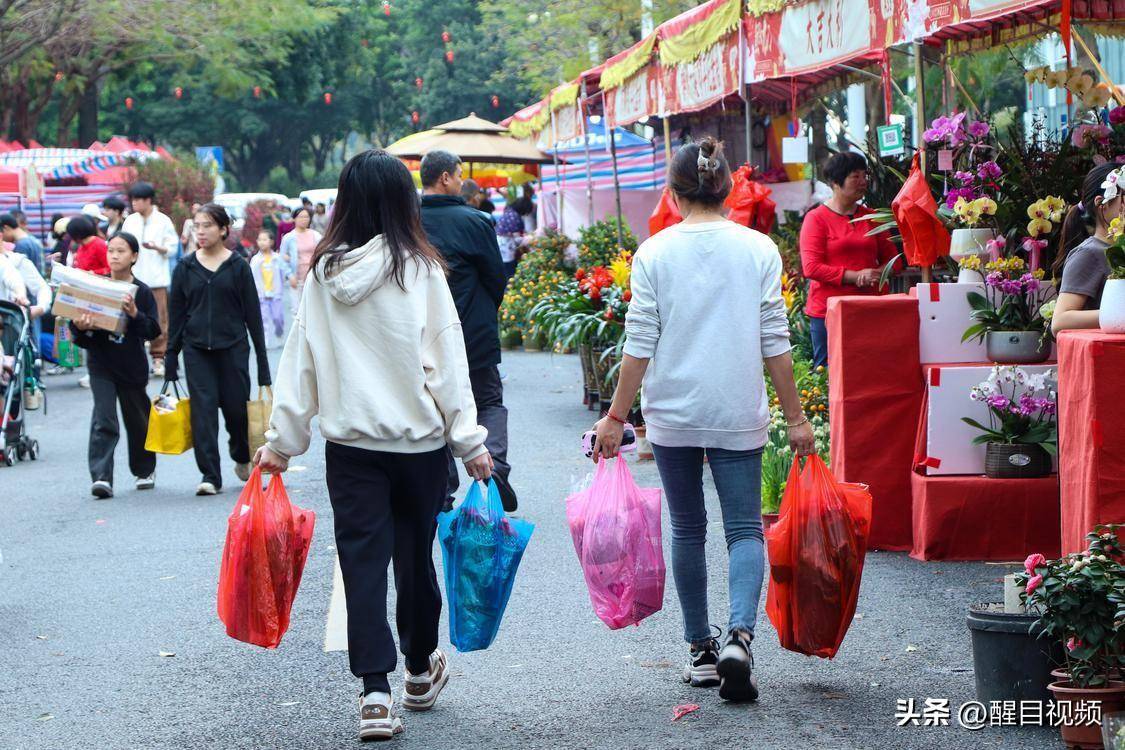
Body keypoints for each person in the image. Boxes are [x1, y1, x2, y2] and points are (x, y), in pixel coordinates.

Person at [254, 149, 492, 741]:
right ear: (403, 202)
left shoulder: (324, 275)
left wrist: (282, 443)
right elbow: (447, 365)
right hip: (418, 447)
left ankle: (374, 695)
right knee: (415, 559)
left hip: (352, 449)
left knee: (362, 563)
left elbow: (300, 366)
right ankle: (417, 669)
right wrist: (470, 441)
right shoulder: (422, 271)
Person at [593, 137, 815, 704]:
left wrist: (616, 417)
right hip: (738, 408)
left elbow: (638, 343)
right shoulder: (759, 250)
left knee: (689, 530)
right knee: (744, 529)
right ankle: (741, 635)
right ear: (730, 190)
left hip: (673, 413)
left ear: (673, 192)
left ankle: (701, 652)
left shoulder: (655, 254)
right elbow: (776, 344)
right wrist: (796, 420)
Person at [418, 149, 516, 512]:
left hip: (423, 336)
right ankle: (495, 465)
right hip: (472, 331)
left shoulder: (407, 222)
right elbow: (496, 279)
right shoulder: (475, 221)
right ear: (445, 177)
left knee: (433, 408)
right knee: (488, 401)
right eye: (458, 175)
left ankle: (442, 487)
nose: (461, 181)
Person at [164, 204, 271, 496]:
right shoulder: (185, 268)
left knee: (237, 412)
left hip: (233, 348)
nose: (200, 231)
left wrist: (262, 363)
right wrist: (170, 356)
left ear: (223, 229)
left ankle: (240, 455)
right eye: (197, 226)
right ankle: (210, 474)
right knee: (204, 413)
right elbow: (177, 316)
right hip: (196, 350)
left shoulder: (238, 266)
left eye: (207, 225)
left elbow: (253, 316)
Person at [69, 232, 161, 499]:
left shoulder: (141, 292)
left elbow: (153, 331)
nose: (115, 256)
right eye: (111, 251)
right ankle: (101, 477)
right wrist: (80, 327)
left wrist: (134, 313)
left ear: (134, 256)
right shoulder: (97, 286)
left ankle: (144, 470)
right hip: (101, 364)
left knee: (138, 420)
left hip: (131, 365)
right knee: (104, 419)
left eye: (121, 251)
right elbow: (80, 336)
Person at [798, 152, 897, 368]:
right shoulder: (816, 219)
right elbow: (811, 267)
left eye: (865, 176)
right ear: (835, 182)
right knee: (828, 373)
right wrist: (856, 276)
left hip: (870, 308)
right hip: (829, 311)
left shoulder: (872, 217)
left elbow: (895, 261)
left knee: (873, 370)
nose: (863, 182)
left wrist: (878, 274)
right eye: (855, 176)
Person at [1051, 163, 1124, 333]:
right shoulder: (1090, 253)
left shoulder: (1120, 250)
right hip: (1104, 356)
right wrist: (1116, 315)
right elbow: (1060, 320)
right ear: (1102, 204)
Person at [122, 182, 179, 378]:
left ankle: (158, 358)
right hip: (133, 279)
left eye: (137, 200)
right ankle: (133, 357)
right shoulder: (130, 221)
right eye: (133, 199)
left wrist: (158, 248)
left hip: (157, 279)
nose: (134, 203)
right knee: (130, 318)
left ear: (148, 200)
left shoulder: (163, 221)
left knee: (160, 319)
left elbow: (173, 248)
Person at [280, 206, 322, 317]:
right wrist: (289, 275)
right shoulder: (288, 238)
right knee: (298, 311)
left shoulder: (316, 235)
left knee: (313, 310)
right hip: (296, 278)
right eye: (301, 217)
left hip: (313, 277)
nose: (304, 219)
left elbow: (323, 253)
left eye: (307, 217)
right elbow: (281, 259)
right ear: (294, 219)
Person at [249, 229, 287, 347]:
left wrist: (290, 277)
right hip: (261, 295)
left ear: (271, 242)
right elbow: (251, 276)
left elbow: (285, 270)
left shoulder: (277, 257)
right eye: (259, 240)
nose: (262, 242)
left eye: (265, 239)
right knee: (263, 319)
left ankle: (279, 333)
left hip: (276, 294)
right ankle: (264, 341)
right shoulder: (255, 260)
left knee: (278, 318)